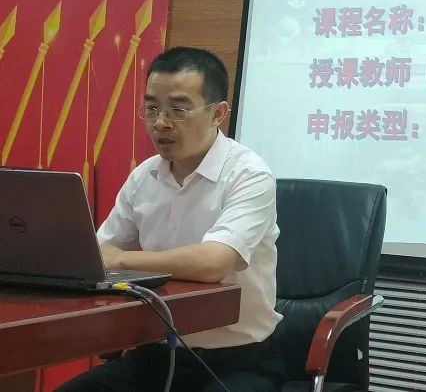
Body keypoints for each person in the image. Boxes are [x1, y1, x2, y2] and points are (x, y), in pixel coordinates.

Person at [57, 46, 284, 392]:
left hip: (238, 359)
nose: (161, 123)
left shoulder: (249, 175)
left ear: (218, 113)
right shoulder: (144, 176)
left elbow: (214, 262)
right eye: (151, 109)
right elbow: (98, 254)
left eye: (178, 109)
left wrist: (122, 259)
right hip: (156, 353)